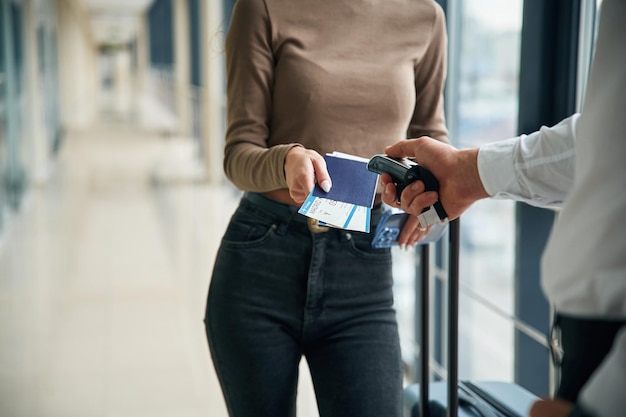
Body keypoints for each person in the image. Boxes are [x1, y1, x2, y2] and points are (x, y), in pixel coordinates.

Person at [380, 1, 625, 416]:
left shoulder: (425, 17)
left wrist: (605, 398)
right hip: (593, 347)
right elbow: (607, 137)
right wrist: (468, 173)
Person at [204, 0, 449, 416]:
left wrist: (428, 206)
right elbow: (237, 154)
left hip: (363, 270)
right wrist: (286, 161)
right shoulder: (264, 7)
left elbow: (432, 139)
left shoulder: (425, 16)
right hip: (264, 259)